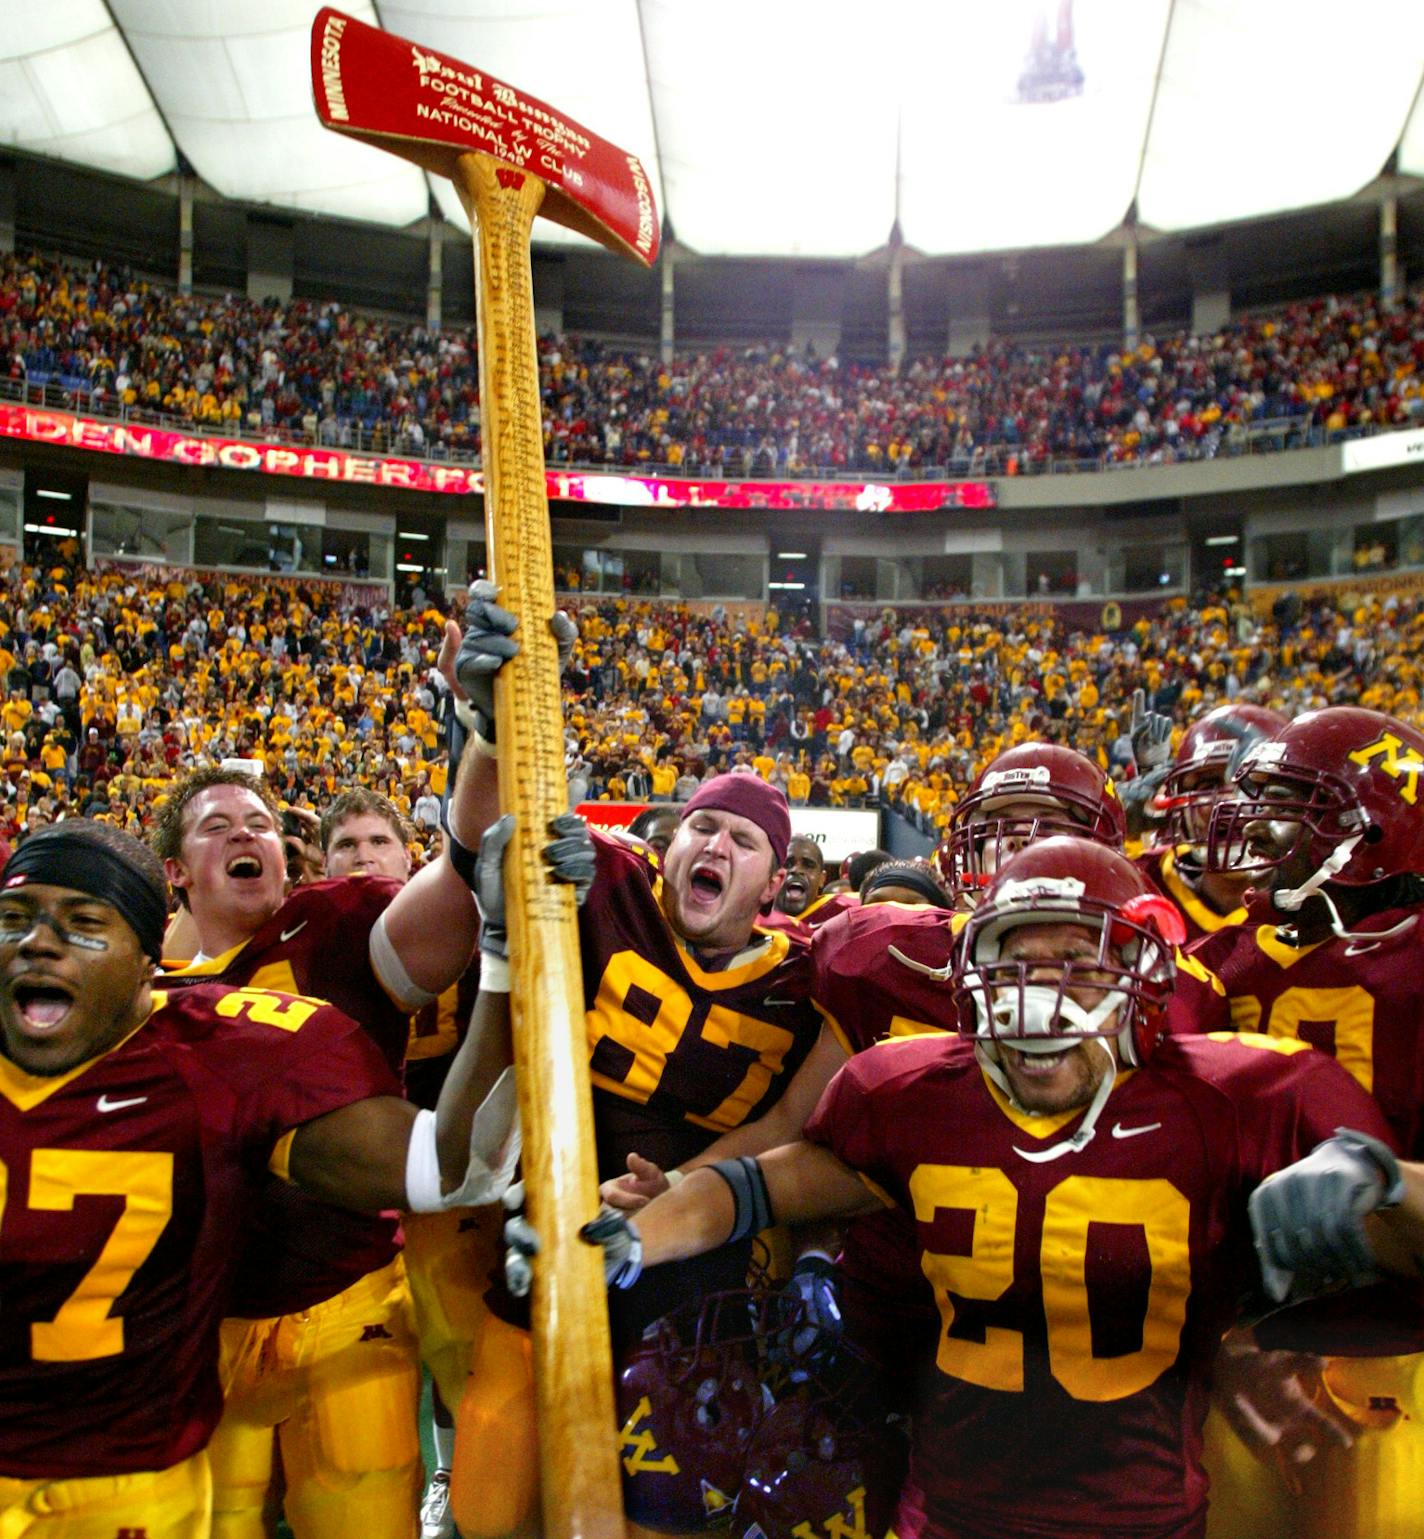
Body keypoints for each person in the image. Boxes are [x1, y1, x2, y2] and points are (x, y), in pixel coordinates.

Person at [583, 836, 1403, 1539]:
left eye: (1076, 964)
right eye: (1015, 963)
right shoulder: (910, 1094)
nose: (1039, 1002)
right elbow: (756, 1188)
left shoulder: (1234, 1098)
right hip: (943, 1517)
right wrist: (633, 1234)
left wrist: (1387, 1183)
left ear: (1141, 973)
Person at [0, 820, 503, 1537]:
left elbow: (447, 1164)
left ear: (145, 963)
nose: (36, 942)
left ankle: (453, 1469)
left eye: (82, 923)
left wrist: (505, 947)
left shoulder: (224, 1044)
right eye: (13, 919)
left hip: (185, 1428)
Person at [1176, 706, 1424, 1539]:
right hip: (1243, 1347)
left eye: (1293, 806)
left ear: (1377, 828)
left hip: (1403, 1341)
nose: (1253, 828)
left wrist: (1391, 1185)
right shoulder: (1212, 963)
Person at [1138, 702, 1286, 942]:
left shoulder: (1320, 906)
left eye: (1254, 783)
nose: (1231, 803)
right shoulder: (1144, 881)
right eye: (1210, 785)